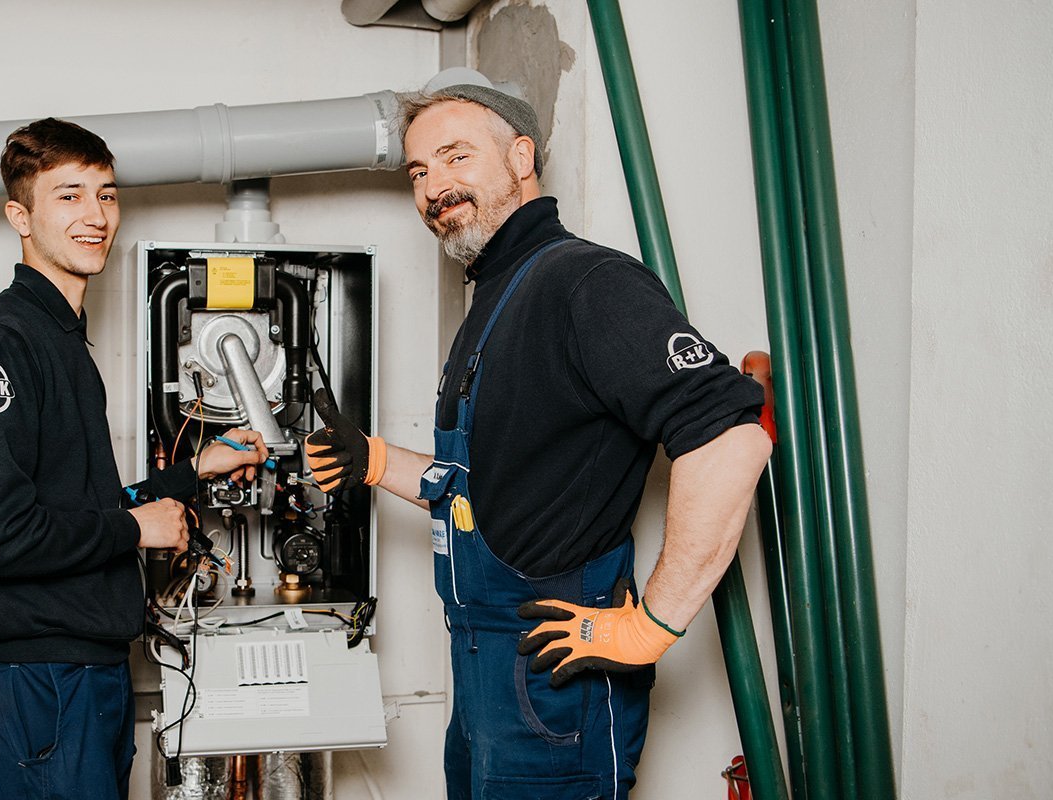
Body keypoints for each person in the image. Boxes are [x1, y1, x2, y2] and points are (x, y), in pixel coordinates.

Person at [305, 83, 773, 798]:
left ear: (520, 156)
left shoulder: (584, 282)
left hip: (555, 684)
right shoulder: (499, 292)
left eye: (456, 156)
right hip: (485, 667)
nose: (433, 187)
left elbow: (730, 435)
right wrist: (374, 460)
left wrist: (650, 626)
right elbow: (491, 482)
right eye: (419, 172)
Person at [0, 118, 266, 800]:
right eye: (69, 196)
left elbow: (75, 505)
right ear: (19, 216)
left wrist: (191, 473)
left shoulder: (60, 341)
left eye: (107, 196)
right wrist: (137, 530)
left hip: (86, 674)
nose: (96, 216)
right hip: (38, 682)